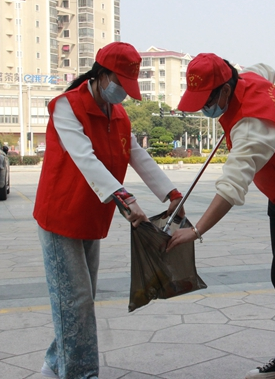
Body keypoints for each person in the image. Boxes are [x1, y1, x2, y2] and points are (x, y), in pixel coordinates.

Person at [166, 53, 275, 379]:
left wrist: (196, 230)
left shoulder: (253, 125)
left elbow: (231, 186)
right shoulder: (248, 78)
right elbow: (266, 68)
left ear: (226, 90)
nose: (205, 109)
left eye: (207, 101)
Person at [33, 42, 184, 379]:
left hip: (91, 217)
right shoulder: (66, 107)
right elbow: (85, 158)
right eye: (119, 84)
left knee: (80, 301)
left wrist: (170, 193)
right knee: (75, 302)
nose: (122, 95)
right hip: (59, 216)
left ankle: (53, 365)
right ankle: (81, 373)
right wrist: (126, 199)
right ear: (101, 75)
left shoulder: (118, 115)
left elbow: (136, 155)